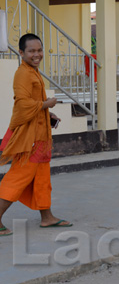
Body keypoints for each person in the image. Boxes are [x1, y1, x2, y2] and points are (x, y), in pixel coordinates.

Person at [0, 33, 72, 236]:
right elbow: (22, 105)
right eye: (31, 51)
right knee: (18, 177)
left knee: (42, 179)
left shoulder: (33, 71)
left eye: (39, 50)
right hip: (30, 139)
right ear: (22, 52)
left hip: (40, 138)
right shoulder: (23, 73)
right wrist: (45, 104)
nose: (37, 54)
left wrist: (47, 113)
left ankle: (47, 218)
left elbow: (33, 105)